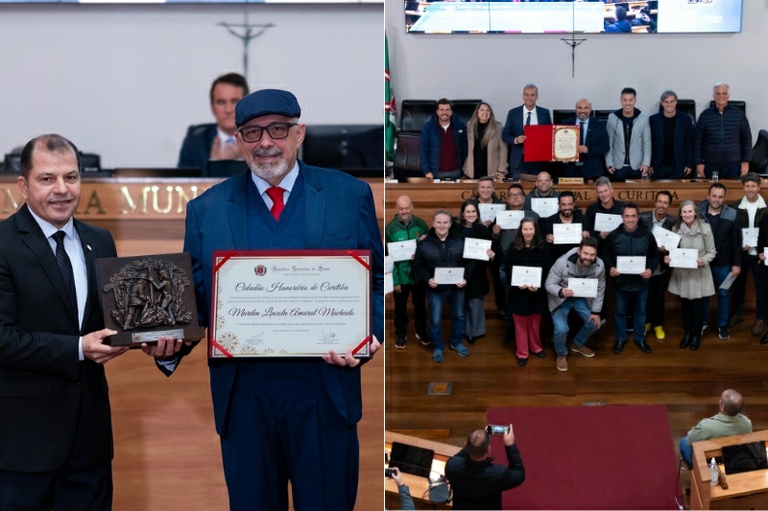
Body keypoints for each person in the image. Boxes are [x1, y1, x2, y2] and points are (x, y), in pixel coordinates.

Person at [181, 89, 383, 510]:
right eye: (252, 132)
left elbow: (377, 280)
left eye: (278, 129)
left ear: (299, 133)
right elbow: (197, 303)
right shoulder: (207, 210)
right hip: (244, 406)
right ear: (239, 140)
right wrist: (167, 340)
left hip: (326, 396)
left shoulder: (349, 196)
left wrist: (371, 333)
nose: (266, 142)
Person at [0, 134, 177, 509]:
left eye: (71, 177)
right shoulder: (3, 244)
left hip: (90, 443)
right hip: (22, 446)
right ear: (23, 186)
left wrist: (157, 342)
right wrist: (78, 349)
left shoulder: (100, 240)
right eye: (47, 179)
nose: (62, 189)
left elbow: (115, 323)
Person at [413, 209, 473, 363]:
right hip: (435, 289)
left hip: (457, 288)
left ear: (450, 224)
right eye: (438, 222)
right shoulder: (424, 243)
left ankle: (456, 342)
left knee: (459, 316)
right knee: (434, 320)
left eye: (445, 222)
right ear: (433, 224)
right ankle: (438, 347)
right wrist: (427, 279)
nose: (442, 225)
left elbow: (470, 262)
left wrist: (465, 278)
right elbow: (418, 265)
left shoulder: (461, 240)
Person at [604, 202, 659, 354]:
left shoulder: (647, 234)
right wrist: (610, 267)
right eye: (627, 216)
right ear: (622, 217)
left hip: (641, 283)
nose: (630, 219)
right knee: (620, 312)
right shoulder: (614, 235)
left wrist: (651, 269)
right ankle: (620, 338)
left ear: (638, 217)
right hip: (620, 284)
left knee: (640, 312)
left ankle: (639, 338)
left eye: (633, 216)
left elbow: (655, 255)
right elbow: (605, 255)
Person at [545, 237, 606, 372]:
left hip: (582, 298)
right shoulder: (562, 262)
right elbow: (549, 284)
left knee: (595, 323)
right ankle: (561, 353)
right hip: (561, 299)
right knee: (561, 329)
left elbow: (600, 288)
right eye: (585, 253)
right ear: (579, 251)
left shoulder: (600, 265)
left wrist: (596, 312)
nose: (588, 257)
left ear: (596, 254)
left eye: (592, 254)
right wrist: (561, 291)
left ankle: (577, 343)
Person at [666, 200, 716, 351]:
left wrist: (703, 260)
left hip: (699, 274)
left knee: (697, 308)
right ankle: (687, 334)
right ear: (680, 214)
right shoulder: (675, 229)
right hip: (683, 274)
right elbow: (672, 251)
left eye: (690, 211)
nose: (687, 214)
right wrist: (668, 258)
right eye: (684, 212)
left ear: (695, 213)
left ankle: (696, 336)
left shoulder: (705, 228)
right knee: (686, 306)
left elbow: (712, 251)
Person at [177, 72, 249, 170]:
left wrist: (244, 161)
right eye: (221, 102)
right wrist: (215, 165)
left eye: (234, 102)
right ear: (212, 108)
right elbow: (184, 179)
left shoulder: (260, 139)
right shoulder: (194, 142)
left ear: (247, 105)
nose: (228, 110)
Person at [505, 218, 551, 366]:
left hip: (537, 292)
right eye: (525, 229)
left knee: (535, 321)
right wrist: (516, 283)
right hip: (518, 292)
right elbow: (508, 268)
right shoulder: (513, 246)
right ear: (520, 230)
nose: (528, 232)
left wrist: (539, 286)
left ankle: (536, 347)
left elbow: (548, 269)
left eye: (531, 229)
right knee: (520, 323)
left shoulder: (543, 247)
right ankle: (522, 352)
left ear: (535, 230)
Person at [698, 184, 741, 340]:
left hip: (724, 263)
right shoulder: (698, 212)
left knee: (723, 293)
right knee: (703, 294)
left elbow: (737, 241)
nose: (716, 199)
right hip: (703, 263)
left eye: (720, 197)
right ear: (708, 196)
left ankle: (722, 325)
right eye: (714, 196)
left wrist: (737, 264)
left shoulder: (732, 214)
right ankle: (703, 321)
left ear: (724, 198)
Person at [445, 425, 525, 510]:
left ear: (466, 445)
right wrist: (510, 445)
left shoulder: (452, 466)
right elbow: (519, 474)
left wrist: (474, 442)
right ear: (489, 449)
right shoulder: (499, 474)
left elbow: (459, 456)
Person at [386, 195, 430, 349]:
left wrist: (422, 245)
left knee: (420, 306)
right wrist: (395, 280)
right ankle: (401, 333)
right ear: (396, 208)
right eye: (401, 208)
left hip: (418, 275)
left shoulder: (421, 224)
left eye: (407, 208)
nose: (404, 211)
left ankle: (421, 331)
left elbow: (429, 246)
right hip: (401, 276)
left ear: (412, 207)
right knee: (400, 307)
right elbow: (388, 257)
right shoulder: (390, 229)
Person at [729, 172, 768, 336]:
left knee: (761, 288)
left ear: (759, 187)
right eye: (747, 186)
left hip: (760, 255)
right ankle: (738, 313)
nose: (750, 189)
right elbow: (732, 231)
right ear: (743, 187)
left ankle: (760, 318)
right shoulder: (735, 206)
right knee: (738, 286)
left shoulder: (766, 207)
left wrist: (764, 250)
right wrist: (739, 245)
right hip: (742, 253)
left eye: (753, 186)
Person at [679, 389, 752, 467]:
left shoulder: (705, 426)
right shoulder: (747, 423)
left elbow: (690, 440)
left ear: (722, 407)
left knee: (683, 441)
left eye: (721, 399)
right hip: (734, 460)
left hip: (711, 462)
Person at [694, 82, 752, 180]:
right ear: (713, 96)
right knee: (714, 189)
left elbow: (747, 139)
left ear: (728, 96)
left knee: (733, 189)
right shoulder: (705, 116)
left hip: (734, 164)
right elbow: (697, 141)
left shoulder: (739, 115)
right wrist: (698, 163)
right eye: (718, 93)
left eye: (724, 93)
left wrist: (746, 162)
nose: (721, 96)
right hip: (711, 164)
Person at [639, 190, 676, 340]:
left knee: (659, 297)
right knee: (645, 297)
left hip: (661, 267)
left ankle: (658, 324)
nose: (662, 205)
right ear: (655, 202)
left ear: (669, 205)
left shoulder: (673, 221)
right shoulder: (643, 218)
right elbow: (637, 238)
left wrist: (668, 250)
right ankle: (646, 323)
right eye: (659, 201)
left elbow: (677, 245)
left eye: (665, 203)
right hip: (644, 266)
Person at [458, 201, 495, 345]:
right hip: (459, 270)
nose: (471, 214)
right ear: (462, 214)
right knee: (460, 303)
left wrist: (491, 255)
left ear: (478, 213)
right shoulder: (455, 228)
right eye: (468, 212)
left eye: (473, 212)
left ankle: (474, 332)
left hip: (477, 272)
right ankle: (461, 330)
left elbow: (490, 251)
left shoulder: (482, 230)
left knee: (475, 304)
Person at [470, 176, 506, 317]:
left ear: (494, 189)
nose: (485, 190)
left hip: (496, 248)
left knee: (499, 279)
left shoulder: (501, 206)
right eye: (483, 187)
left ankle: (502, 308)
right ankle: (474, 313)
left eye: (488, 187)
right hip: (476, 248)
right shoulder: (471, 205)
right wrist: (479, 226)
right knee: (475, 277)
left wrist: (495, 233)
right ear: (477, 189)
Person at [502, 84, 552, 178]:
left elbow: (550, 135)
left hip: (538, 160)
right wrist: (516, 140)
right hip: (518, 160)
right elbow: (505, 135)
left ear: (537, 97)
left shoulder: (544, 113)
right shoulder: (513, 113)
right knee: (517, 186)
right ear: (522, 96)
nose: (529, 98)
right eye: (526, 94)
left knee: (537, 185)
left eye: (532, 95)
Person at [605, 87, 651, 180]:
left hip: (638, 166)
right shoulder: (613, 118)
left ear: (635, 101)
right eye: (625, 100)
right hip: (617, 166)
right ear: (621, 101)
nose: (627, 103)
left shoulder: (643, 118)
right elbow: (609, 142)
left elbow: (647, 142)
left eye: (630, 100)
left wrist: (646, 163)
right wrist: (609, 163)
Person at [649, 90, 694, 179]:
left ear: (676, 102)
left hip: (679, 166)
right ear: (662, 103)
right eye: (666, 102)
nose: (669, 104)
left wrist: (689, 164)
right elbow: (649, 143)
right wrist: (649, 164)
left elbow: (689, 143)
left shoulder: (686, 120)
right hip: (658, 166)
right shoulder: (653, 120)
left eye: (672, 101)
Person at [420, 98, 467, 179]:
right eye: (441, 110)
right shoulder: (428, 128)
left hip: (457, 172)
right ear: (437, 112)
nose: (444, 112)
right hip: (436, 173)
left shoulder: (460, 126)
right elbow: (423, 151)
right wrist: (427, 171)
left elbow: (465, 150)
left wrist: (464, 170)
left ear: (451, 112)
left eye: (447, 110)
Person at [563, 98, 609, 180]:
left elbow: (605, 147)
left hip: (593, 171)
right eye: (579, 108)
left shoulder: (599, 125)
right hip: (570, 170)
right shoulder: (565, 124)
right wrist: (562, 156)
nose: (582, 111)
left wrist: (588, 149)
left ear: (590, 109)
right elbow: (558, 145)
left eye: (586, 108)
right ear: (575, 109)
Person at [463, 101, 509, 180]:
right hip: (472, 169)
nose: (485, 112)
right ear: (477, 112)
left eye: (488, 110)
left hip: (492, 170)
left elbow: (503, 149)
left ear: (491, 113)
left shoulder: (498, 127)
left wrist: (501, 169)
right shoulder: (469, 125)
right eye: (482, 110)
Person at [542, 190, 591, 261]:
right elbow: (540, 243)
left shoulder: (583, 220)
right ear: (559, 205)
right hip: (555, 260)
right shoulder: (549, 222)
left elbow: (594, 242)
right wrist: (546, 239)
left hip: (578, 261)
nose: (567, 207)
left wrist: (588, 237)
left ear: (574, 204)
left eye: (570, 204)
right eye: (563, 204)